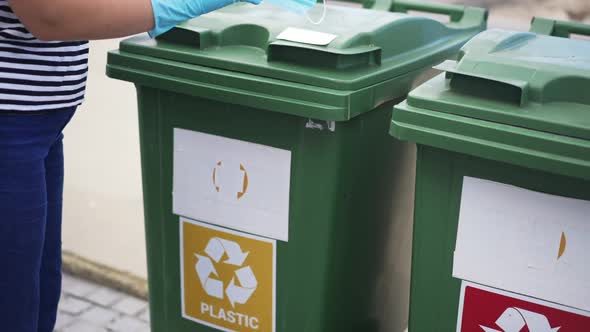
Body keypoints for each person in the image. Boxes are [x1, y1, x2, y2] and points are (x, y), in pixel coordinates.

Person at [0, 0, 259, 331]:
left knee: (37, 299)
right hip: (10, 128)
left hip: (42, 126)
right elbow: (52, 15)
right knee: (13, 309)